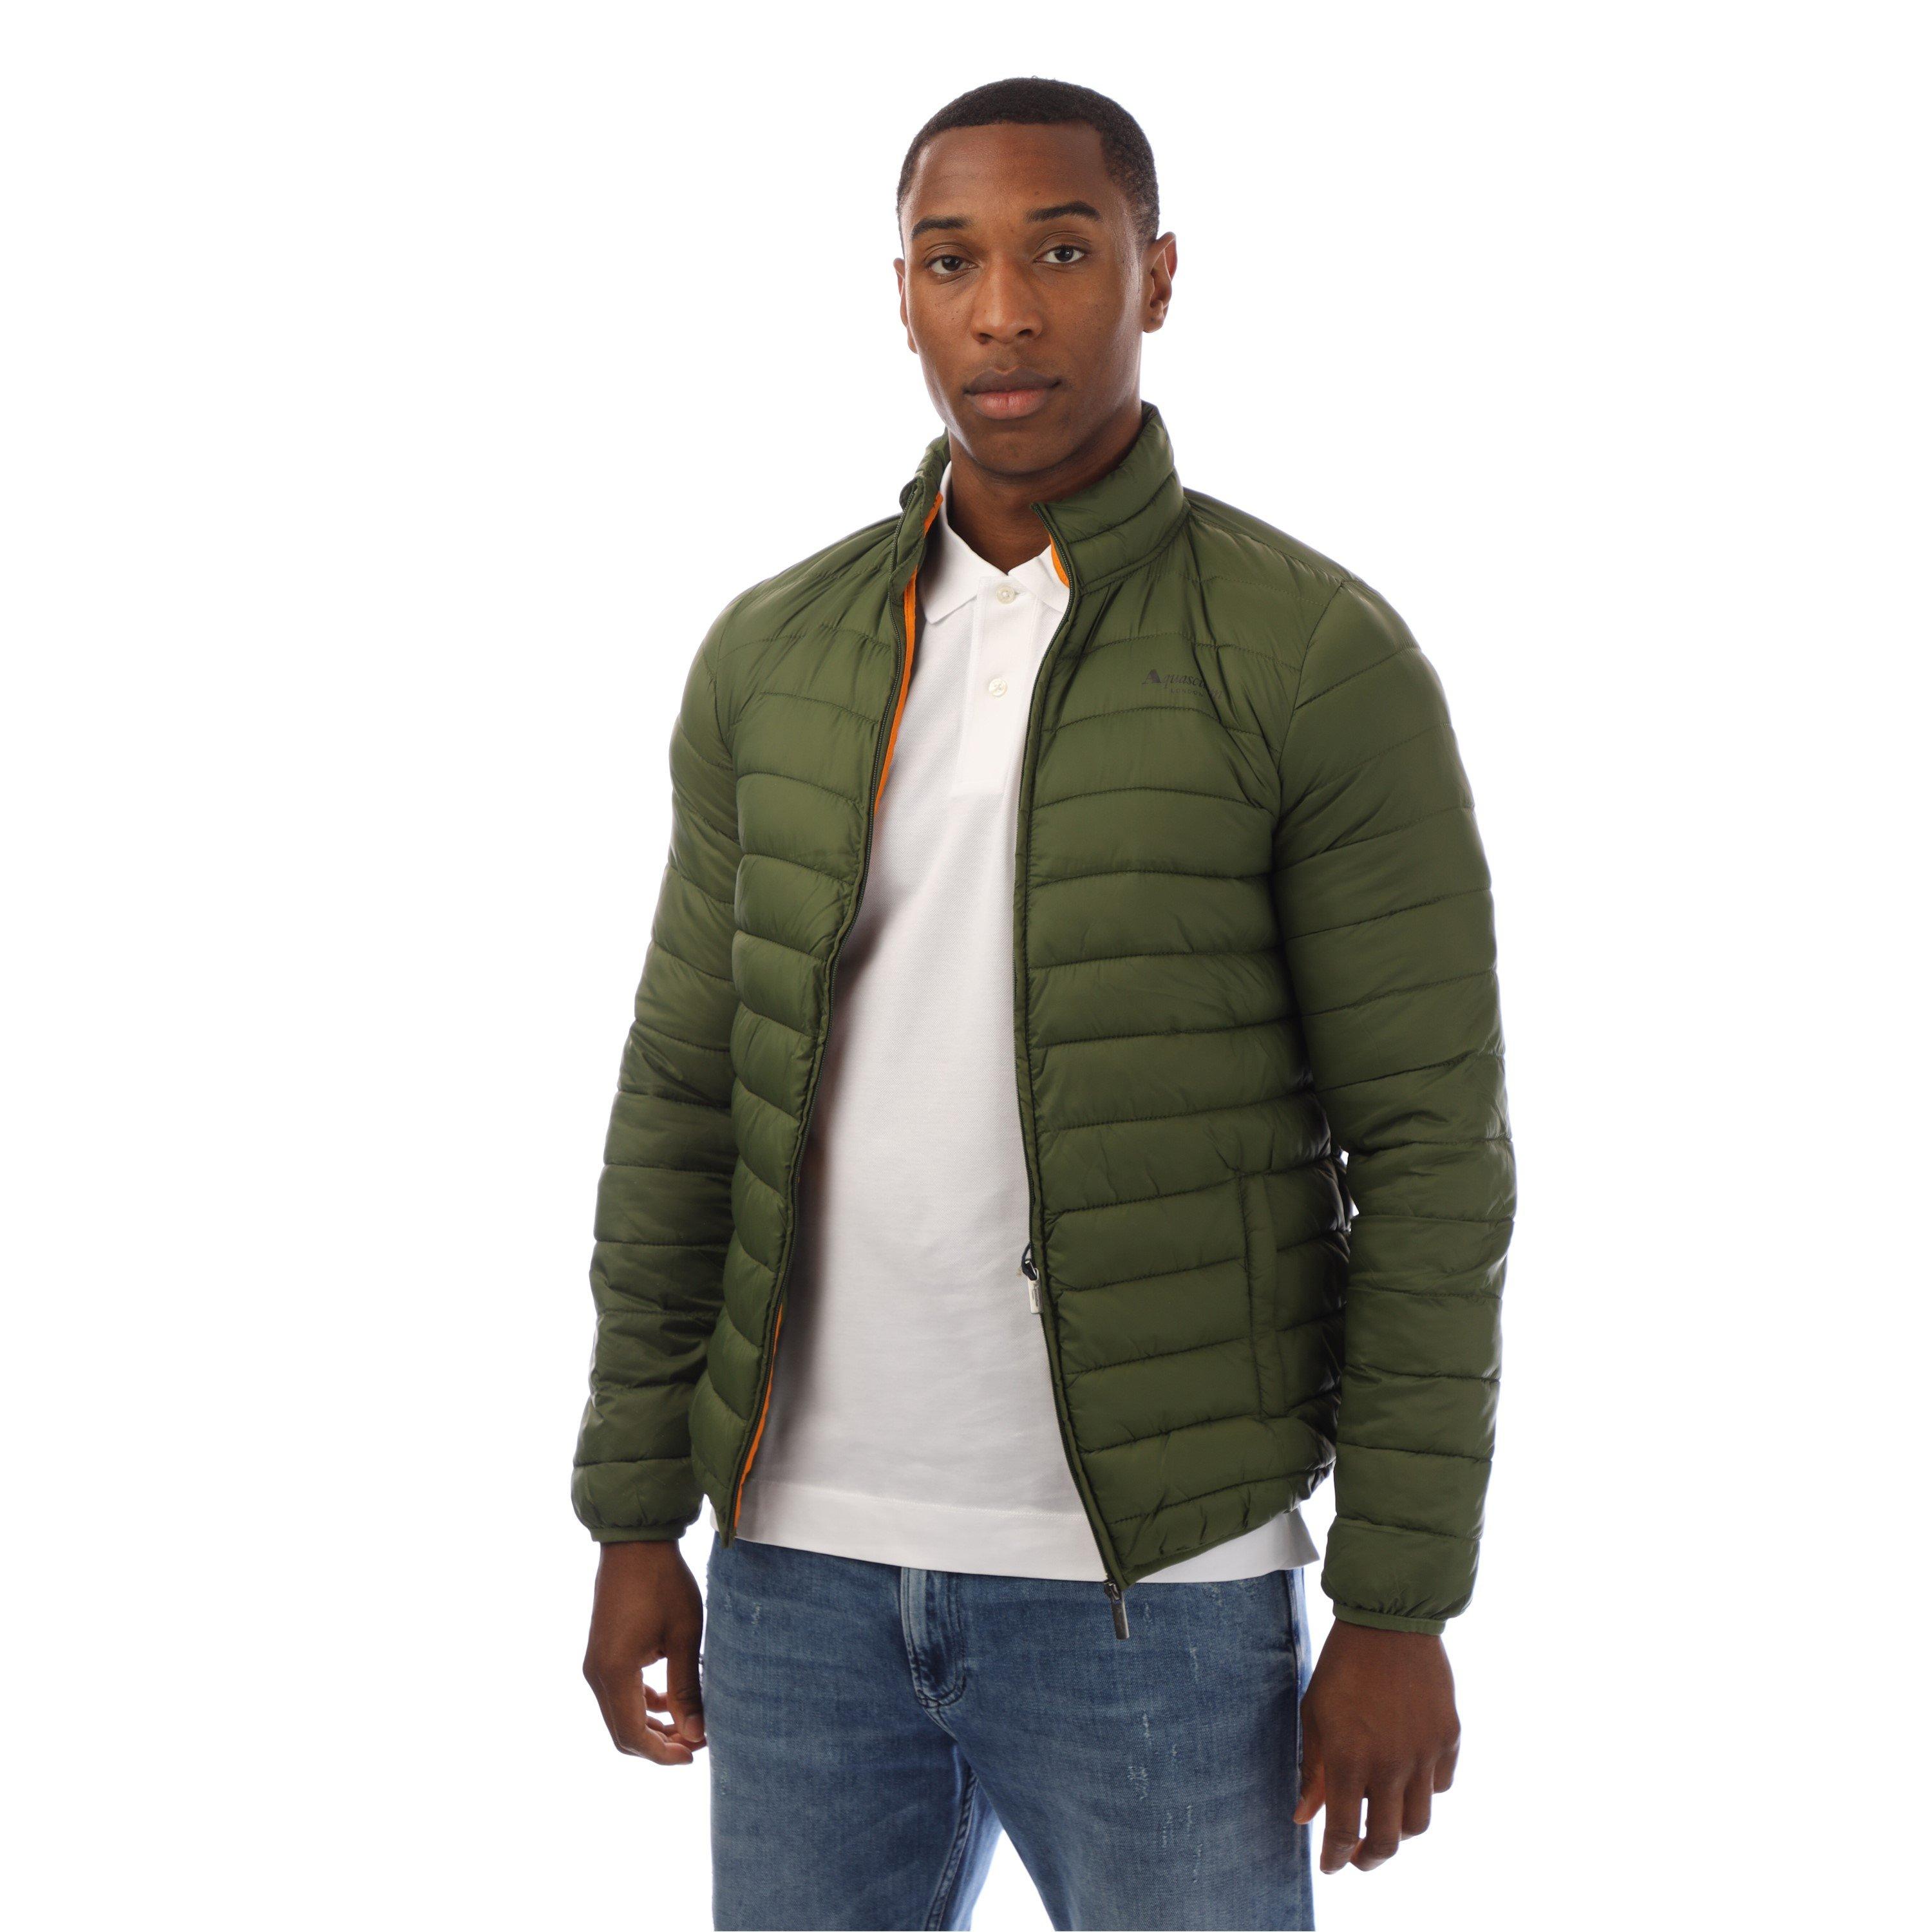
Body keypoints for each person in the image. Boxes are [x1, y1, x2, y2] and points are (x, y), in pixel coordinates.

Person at [574, 75, 1514, 1932]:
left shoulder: (1311, 655)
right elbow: (684, 1092)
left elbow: (1429, 1153)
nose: (1004, 311)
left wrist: (1398, 1603)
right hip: (796, 1570)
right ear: (901, 295)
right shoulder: (774, 655)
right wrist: (630, 1516)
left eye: (1062, 252)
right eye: (953, 261)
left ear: (1155, 276)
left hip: (1159, 1593)